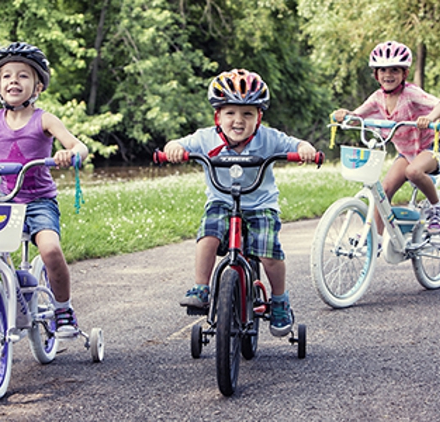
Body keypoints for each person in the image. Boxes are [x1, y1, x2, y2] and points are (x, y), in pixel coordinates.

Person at [164, 69, 317, 336]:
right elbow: (176, 144)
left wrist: (304, 149)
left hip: (260, 205)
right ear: (217, 116)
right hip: (222, 201)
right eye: (230, 113)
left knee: (269, 253)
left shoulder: (267, 138)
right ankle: (201, 287)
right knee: (208, 236)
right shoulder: (205, 138)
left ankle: (279, 299)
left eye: (247, 113)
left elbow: (296, 143)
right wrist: (173, 149)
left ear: (259, 117)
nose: (238, 120)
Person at [0, 42, 89, 337]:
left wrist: (70, 154)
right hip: (3, 200)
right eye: (7, 76)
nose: (14, 81)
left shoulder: (43, 119)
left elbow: (78, 146)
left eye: (23, 76)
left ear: (38, 86)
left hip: (38, 201)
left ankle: (63, 309)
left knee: (50, 250)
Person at [333, 41, 440, 240]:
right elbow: (357, 114)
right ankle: (376, 238)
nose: (388, 75)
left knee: (413, 171)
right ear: (376, 74)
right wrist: (344, 116)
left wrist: (430, 119)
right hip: (406, 153)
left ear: (404, 74)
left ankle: (436, 208)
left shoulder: (411, 94)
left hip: (431, 147)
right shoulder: (377, 98)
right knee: (383, 191)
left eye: (394, 70)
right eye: (383, 70)